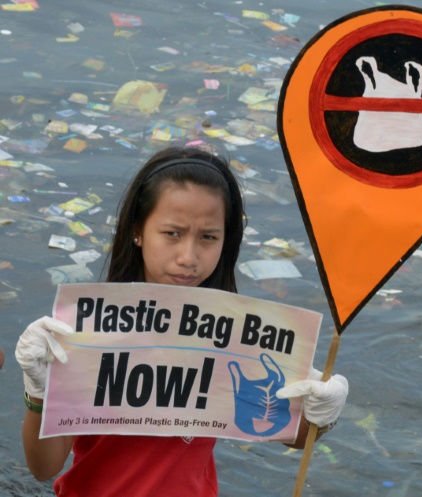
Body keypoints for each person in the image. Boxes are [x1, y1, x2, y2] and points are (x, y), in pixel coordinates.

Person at [15, 146, 349, 496]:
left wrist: (320, 412)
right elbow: (44, 467)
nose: (188, 257)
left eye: (208, 237)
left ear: (226, 241)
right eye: (172, 233)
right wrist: (37, 391)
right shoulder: (87, 331)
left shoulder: (238, 335)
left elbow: (291, 434)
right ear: (138, 231)